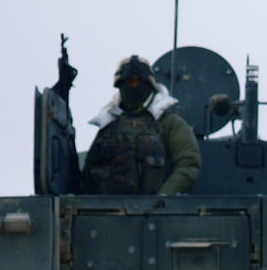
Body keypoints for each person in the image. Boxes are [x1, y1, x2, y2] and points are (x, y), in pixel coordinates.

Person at [80, 55, 201, 195]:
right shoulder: (108, 124)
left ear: (149, 84)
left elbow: (188, 164)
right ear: (120, 85)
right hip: (107, 213)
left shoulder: (169, 123)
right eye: (129, 82)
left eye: (139, 81)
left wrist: (162, 201)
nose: (134, 86)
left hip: (155, 213)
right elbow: (89, 173)